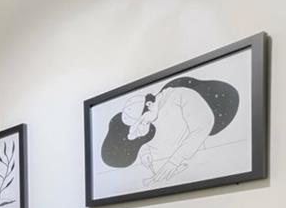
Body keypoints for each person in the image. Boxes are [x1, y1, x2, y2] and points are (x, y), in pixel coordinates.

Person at [100, 76, 239, 185]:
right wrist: (146, 154)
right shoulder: (152, 116)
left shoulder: (181, 96)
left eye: (142, 121)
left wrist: (175, 160)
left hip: (193, 167)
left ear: (149, 105)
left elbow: (203, 126)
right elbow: (155, 138)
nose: (144, 124)